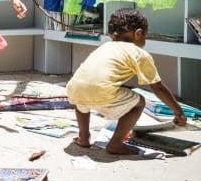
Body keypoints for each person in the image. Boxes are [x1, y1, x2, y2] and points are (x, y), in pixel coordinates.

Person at [67, 8, 187, 154]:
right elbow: (158, 87)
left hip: (73, 90)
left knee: (83, 98)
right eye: (145, 36)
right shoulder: (140, 54)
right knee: (139, 102)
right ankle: (115, 144)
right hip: (102, 93)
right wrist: (178, 112)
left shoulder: (105, 47)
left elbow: (95, 77)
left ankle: (83, 137)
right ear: (138, 33)